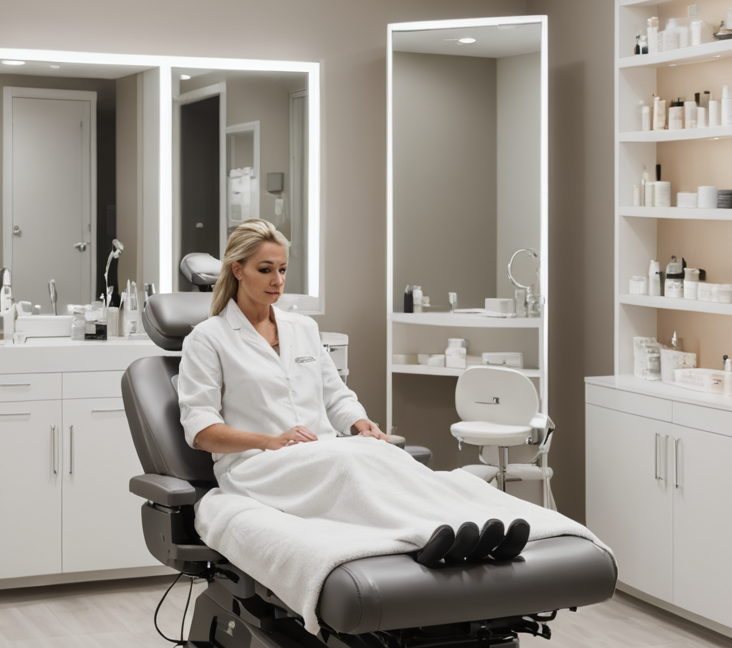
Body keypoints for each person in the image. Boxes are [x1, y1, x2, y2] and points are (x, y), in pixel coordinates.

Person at [176, 218, 537, 566]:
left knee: (385, 454)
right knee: (348, 463)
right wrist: (269, 440)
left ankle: (472, 527)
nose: (278, 281)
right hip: (258, 466)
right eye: (265, 269)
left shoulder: (302, 328)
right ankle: (426, 535)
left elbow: (336, 395)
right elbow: (202, 431)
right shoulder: (208, 339)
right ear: (238, 270)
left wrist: (361, 424)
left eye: (283, 270)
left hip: (317, 452)